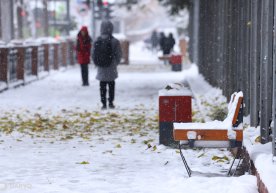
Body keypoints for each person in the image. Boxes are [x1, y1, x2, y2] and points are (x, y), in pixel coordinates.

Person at [92, 20, 122, 110]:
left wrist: (97, 62)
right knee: (111, 85)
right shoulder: (115, 41)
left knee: (102, 85)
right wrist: (115, 62)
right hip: (111, 66)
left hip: (101, 66)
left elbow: (93, 53)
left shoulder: (97, 40)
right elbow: (119, 54)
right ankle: (111, 102)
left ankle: (103, 103)